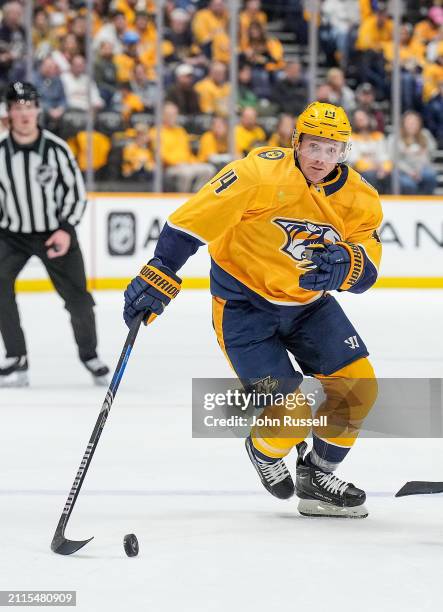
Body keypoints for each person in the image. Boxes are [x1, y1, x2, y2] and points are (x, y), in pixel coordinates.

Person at [123, 102, 382, 519]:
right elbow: (192, 221)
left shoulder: (361, 199)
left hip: (309, 308)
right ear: (296, 142)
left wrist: (350, 266)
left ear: (344, 153)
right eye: (313, 145)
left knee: (359, 388)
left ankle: (317, 477)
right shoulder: (257, 174)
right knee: (294, 413)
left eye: (331, 149)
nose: (320, 158)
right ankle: (263, 450)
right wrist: (161, 268)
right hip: (244, 309)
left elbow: (368, 268)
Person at [0, 82, 109, 387]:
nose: (23, 114)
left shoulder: (56, 149)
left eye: (28, 107)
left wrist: (65, 229)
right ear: (8, 113)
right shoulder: (0, 152)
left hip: (54, 232)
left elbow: (76, 193)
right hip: (12, 234)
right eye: (17, 108)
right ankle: (16, 357)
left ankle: (89, 354)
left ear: (37, 110)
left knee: (78, 299)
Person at [388, 111, 437, 195]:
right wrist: (410, 172)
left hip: (421, 169)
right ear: (403, 123)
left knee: (430, 175)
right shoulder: (395, 138)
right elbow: (394, 160)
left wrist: (419, 169)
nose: (412, 125)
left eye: (414, 122)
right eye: (409, 122)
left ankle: (425, 200)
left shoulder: (425, 135)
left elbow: (432, 151)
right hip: (402, 171)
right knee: (408, 184)